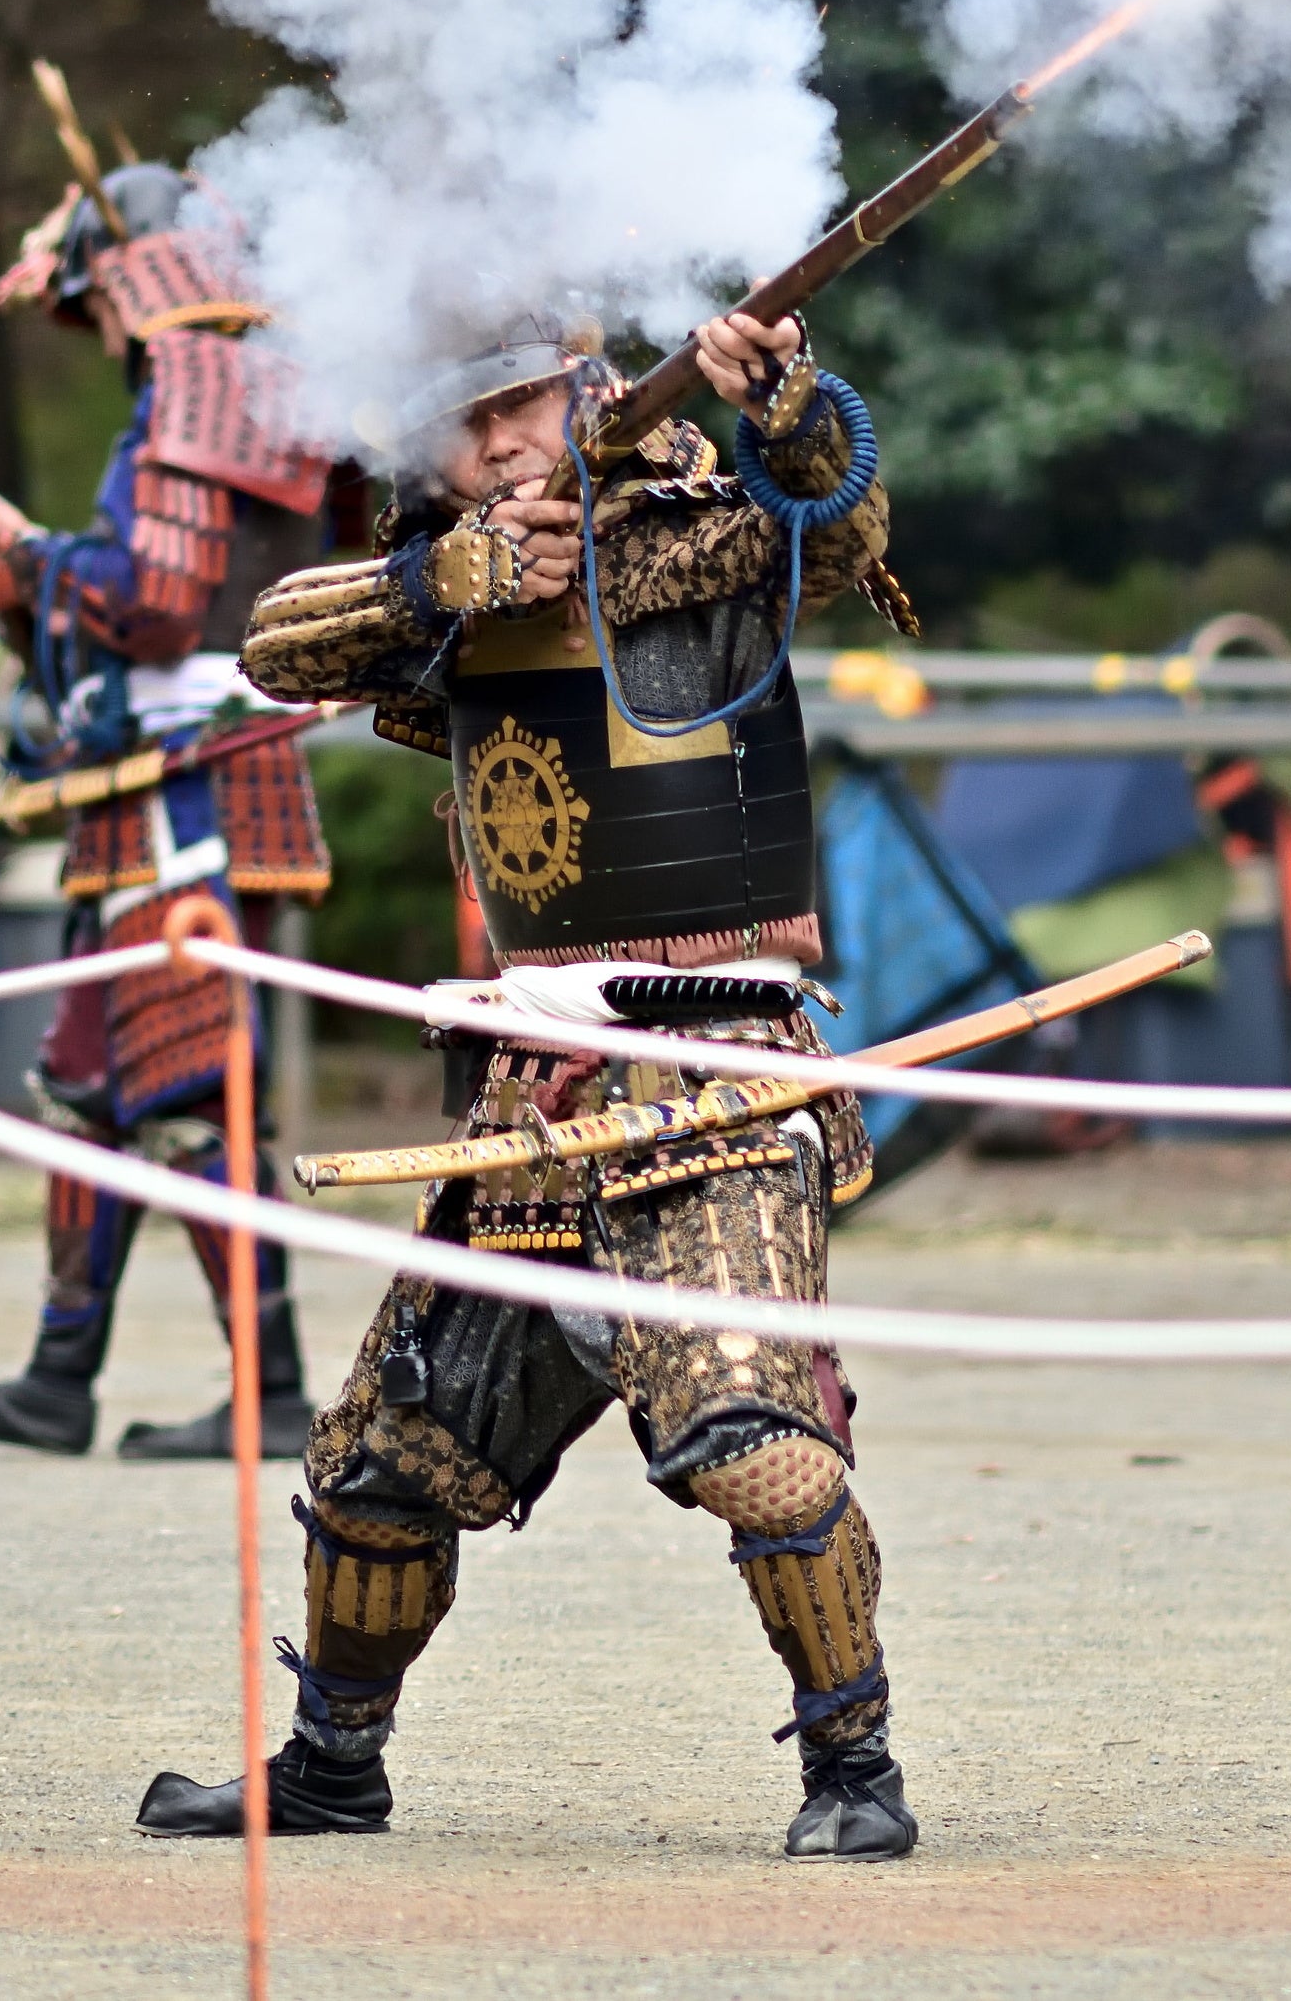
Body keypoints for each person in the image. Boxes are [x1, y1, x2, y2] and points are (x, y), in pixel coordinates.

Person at [135, 309, 921, 1860]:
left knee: (754, 1444)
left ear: (586, 388)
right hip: (532, 1099)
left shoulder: (698, 529)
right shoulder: (441, 573)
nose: (496, 442)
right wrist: (443, 578)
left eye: (520, 406)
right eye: (461, 420)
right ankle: (332, 1769)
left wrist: (791, 406)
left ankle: (857, 1775)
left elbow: (834, 527)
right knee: (377, 1468)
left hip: (718, 1081)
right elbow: (276, 644)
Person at [0, 159, 335, 1460]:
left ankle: (272, 1389)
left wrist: (17, 568)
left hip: (189, 775)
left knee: (188, 1088)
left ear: (136, 276)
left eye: (96, 304)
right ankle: (61, 1380)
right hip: (160, 772)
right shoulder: (227, 385)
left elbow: (158, 598)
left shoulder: (196, 380)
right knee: (88, 1081)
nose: (97, 331)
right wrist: (38, 564)